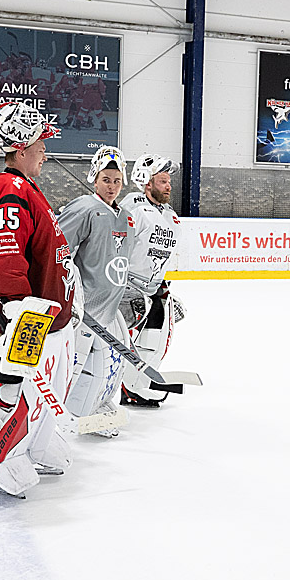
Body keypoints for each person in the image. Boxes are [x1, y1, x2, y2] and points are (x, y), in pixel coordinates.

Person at [0, 100, 77, 498]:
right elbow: (4, 253)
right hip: (25, 312)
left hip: (46, 312)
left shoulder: (27, 189)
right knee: (18, 383)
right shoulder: (9, 189)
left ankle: (34, 443)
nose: (44, 153)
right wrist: (16, 302)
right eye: (40, 145)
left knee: (47, 382)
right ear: (20, 149)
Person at [58, 146, 134, 437]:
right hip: (86, 308)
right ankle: (62, 415)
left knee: (109, 366)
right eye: (106, 180)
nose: (112, 186)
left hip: (110, 307)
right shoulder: (84, 207)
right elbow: (58, 248)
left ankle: (96, 407)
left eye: (116, 181)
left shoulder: (125, 215)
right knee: (75, 366)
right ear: (94, 178)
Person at [118, 154, 186, 407]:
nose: (169, 186)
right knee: (115, 342)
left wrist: (163, 286)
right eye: (163, 181)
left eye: (169, 181)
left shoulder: (169, 215)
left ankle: (137, 385)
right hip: (127, 287)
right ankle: (111, 383)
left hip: (153, 288)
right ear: (146, 182)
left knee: (156, 338)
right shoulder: (132, 208)